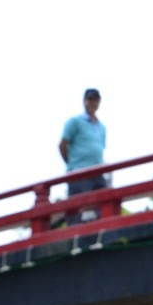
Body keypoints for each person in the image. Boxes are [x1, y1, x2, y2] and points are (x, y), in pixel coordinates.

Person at [59, 88, 107, 222]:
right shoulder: (75, 122)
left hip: (98, 170)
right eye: (90, 99)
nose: (93, 103)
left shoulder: (101, 127)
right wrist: (72, 164)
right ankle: (76, 239)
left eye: (96, 100)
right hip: (79, 171)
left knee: (101, 207)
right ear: (84, 101)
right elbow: (63, 145)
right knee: (79, 211)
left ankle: (102, 235)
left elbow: (100, 148)